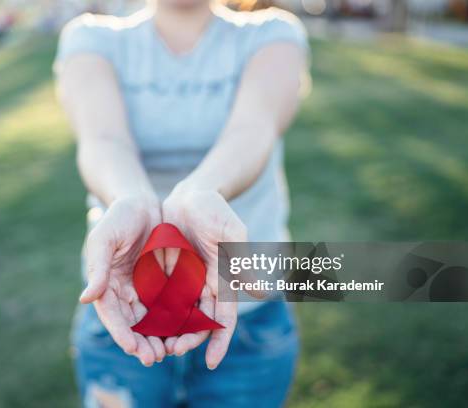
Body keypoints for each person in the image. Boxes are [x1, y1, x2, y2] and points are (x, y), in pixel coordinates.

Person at [54, 0, 309, 406]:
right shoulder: (92, 38)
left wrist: (200, 192)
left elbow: (254, 129)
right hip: (126, 309)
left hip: (248, 319)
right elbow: (103, 139)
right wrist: (132, 198)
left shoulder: (271, 35)